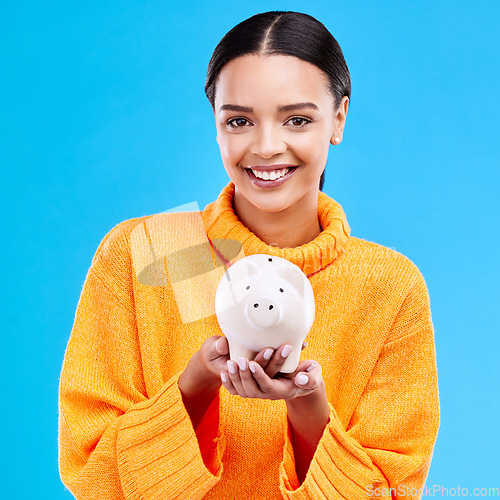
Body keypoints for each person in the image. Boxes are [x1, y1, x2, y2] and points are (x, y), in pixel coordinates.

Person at [58, 11, 440, 500]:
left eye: (297, 120)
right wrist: (195, 386)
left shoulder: (388, 286)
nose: (266, 147)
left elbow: (392, 491)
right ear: (215, 123)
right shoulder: (156, 252)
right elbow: (90, 474)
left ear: (338, 118)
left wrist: (308, 412)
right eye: (239, 120)